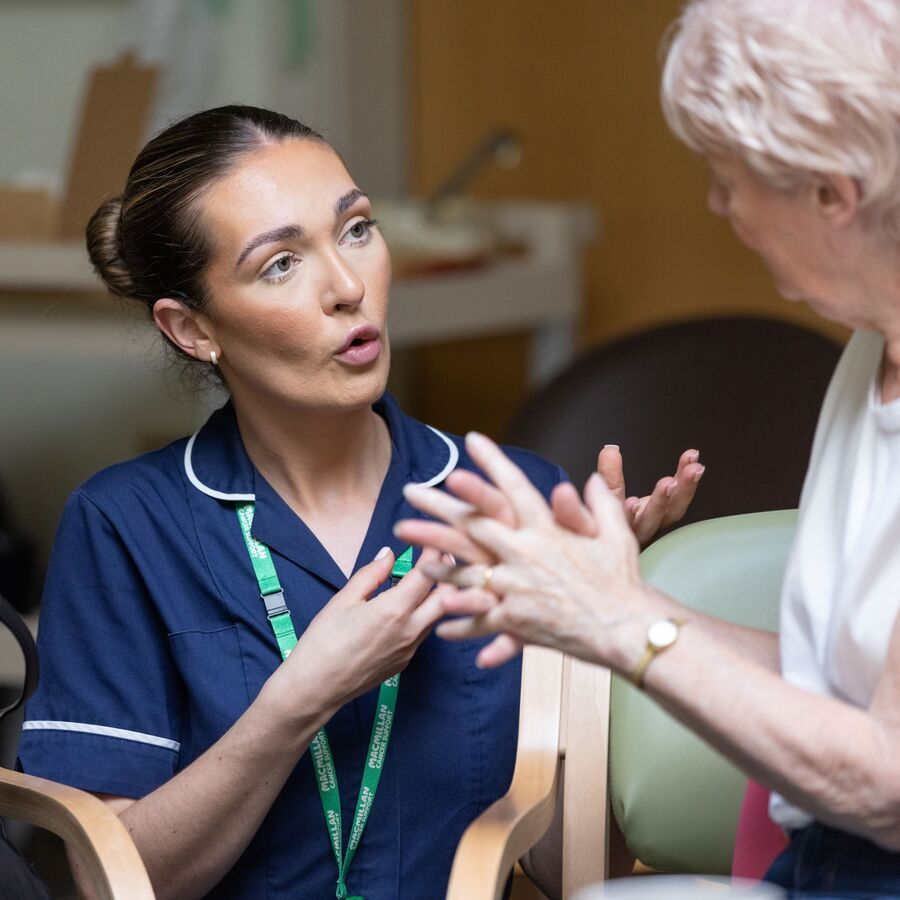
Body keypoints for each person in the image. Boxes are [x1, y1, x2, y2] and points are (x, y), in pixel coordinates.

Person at [16, 106, 698, 900]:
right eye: (280, 264)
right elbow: (119, 883)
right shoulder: (124, 525)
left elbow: (574, 870)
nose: (348, 287)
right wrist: (298, 700)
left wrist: (600, 624)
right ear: (193, 328)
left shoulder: (518, 498)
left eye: (357, 229)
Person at [397, 1, 900, 897]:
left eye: (728, 176)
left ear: (832, 192)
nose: (718, 206)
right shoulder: (870, 351)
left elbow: (888, 778)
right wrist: (601, 598)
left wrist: (626, 624)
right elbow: (829, 687)